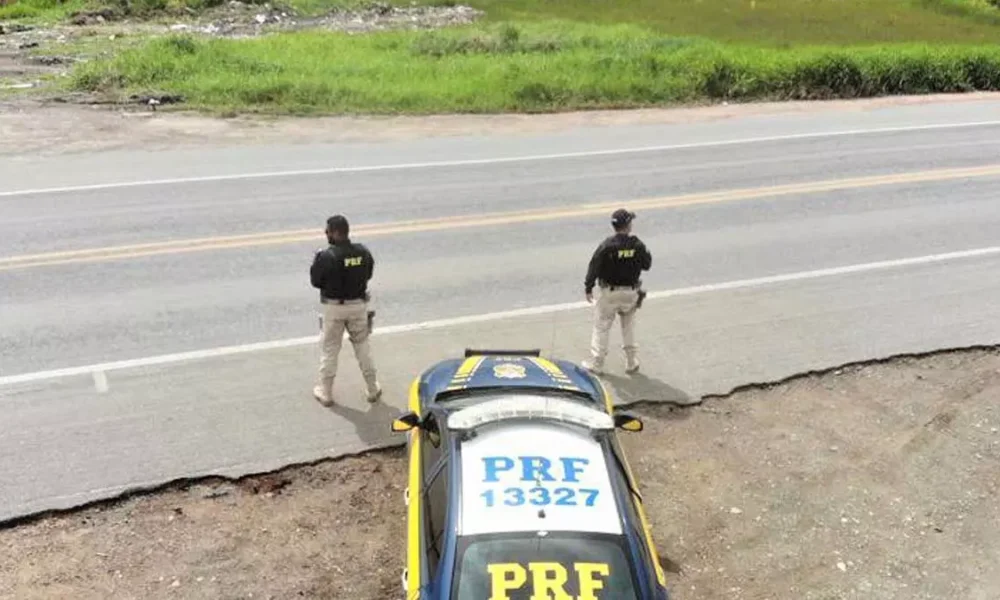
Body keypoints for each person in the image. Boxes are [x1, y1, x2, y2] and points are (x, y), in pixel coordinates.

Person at [309, 214, 382, 406]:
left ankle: (326, 392)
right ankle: (372, 388)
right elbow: (369, 274)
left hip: (333, 308)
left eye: (327, 231)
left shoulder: (326, 256)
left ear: (334, 232)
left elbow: (315, 282)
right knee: (362, 346)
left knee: (330, 349)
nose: (325, 234)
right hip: (358, 306)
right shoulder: (363, 252)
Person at [582, 208, 652, 375]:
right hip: (630, 293)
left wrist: (588, 287)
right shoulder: (637, 244)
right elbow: (647, 265)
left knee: (601, 326)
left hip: (609, 293)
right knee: (628, 326)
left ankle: (597, 364)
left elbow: (594, 266)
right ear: (628, 225)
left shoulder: (607, 246)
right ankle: (630, 362)